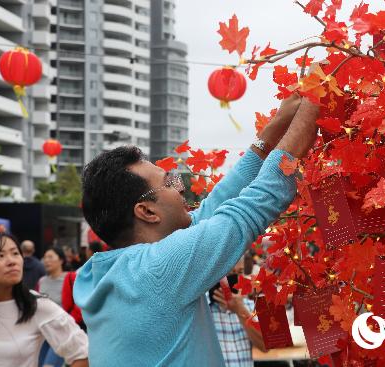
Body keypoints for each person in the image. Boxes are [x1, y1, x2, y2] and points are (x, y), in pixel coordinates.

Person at [74, 95, 319, 366]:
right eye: (170, 182)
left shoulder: (112, 272)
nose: (181, 188)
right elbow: (252, 206)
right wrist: (313, 99)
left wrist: (273, 128)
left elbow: (213, 208)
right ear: (146, 212)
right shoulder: (157, 270)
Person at [0, 232, 88, 367]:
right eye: (0, 256)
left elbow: (82, 352)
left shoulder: (36, 305)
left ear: (61, 260)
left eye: (15, 253)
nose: (12, 261)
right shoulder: (42, 280)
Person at [210, 256, 266, 367]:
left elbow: (265, 346)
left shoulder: (250, 307)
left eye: (239, 272)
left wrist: (240, 310)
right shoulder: (202, 310)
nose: (235, 278)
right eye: (229, 273)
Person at [37, 247, 69, 367]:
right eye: (45, 257)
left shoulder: (70, 279)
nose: (46, 260)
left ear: (61, 260)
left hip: (61, 334)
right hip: (43, 334)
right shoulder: (42, 281)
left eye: (50, 257)